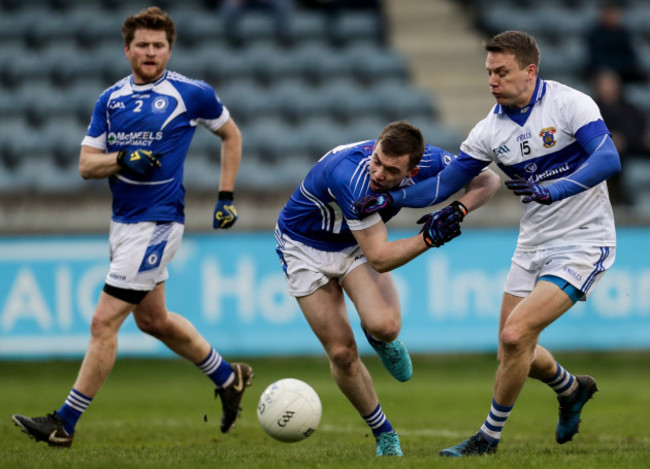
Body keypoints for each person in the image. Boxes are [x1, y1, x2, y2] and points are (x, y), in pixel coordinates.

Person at [355, 31, 621, 457]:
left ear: (530, 71)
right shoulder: (489, 130)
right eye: (489, 72)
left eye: (502, 72)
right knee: (510, 346)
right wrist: (394, 197)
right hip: (533, 243)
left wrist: (559, 188)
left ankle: (487, 439)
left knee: (517, 335)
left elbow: (608, 159)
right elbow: (445, 183)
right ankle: (571, 389)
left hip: (584, 242)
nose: (492, 80)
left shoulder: (570, 104)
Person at [12, 7, 253, 448]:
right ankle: (227, 376)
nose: (150, 52)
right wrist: (122, 159)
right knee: (154, 320)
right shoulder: (110, 99)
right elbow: (86, 166)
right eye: (142, 44)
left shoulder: (191, 93)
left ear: (169, 49)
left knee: (103, 324)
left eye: (158, 45)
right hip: (122, 225)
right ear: (127, 50)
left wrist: (225, 197)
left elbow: (232, 135)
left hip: (157, 223)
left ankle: (63, 422)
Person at [275, 121, 501, 456]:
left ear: (412, 168)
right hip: (304, 246)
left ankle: (378, 337)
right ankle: (384, 434)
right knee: (341, 352)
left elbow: (489, 180)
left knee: (386, 326)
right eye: (377, 160)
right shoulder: (351, 177)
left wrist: (457, 209)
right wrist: (429, 237)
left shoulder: (431, 161)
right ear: (376, 145)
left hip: (353, 243)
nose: (378, 172)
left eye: (390, 169)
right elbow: (379, 258)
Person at [592, 69, 650, 205]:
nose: (607, 88)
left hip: (632, 154)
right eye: (603, 84)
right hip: (602, 156)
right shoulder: (591, 109)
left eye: (610, 83)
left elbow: (640, 134)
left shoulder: (630, 108)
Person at [584, 3, 646, 84]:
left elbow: (630, 57)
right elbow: (596, 58)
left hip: (622, 71)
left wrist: (619, 67)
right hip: (603, 70)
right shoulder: (595, 34)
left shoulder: (624, 33)